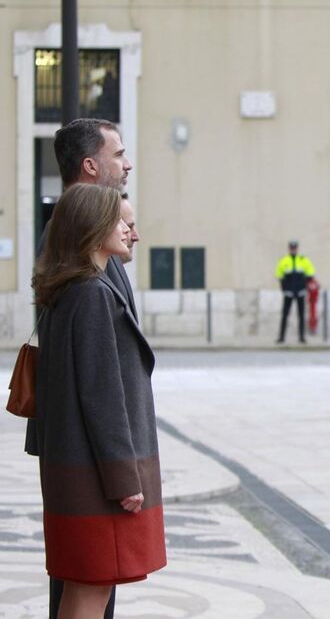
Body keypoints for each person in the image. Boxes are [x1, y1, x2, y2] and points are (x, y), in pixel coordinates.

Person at [32, 184, 166, 618]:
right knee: (92, 589)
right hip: (93, 476)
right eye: (121, 222)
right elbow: (101, 396)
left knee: (85, 587)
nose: (131, 232)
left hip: (77, 468)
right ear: (93, 227)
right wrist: (124, 479)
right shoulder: (91, 294)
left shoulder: (70, 290)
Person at [29, 117, 135, 619]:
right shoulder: (80, 264)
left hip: (79, 444)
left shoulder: (77, 249)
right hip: (87, 449)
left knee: (85, 579)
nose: (127, 163)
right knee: (89, 580)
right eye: (118, 154)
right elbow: (96, 379)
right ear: (91, 164)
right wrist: (122, 471)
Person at [275, 240, 316, 343]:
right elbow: (279, 275)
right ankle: (281, 337)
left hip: (300, 291)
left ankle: (302, 337)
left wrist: (304, 284)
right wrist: (284, 287)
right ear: (289, 249)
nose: (293, 249)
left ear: (297, 249)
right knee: (285, 315)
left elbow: (311, 272)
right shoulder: (284, 260)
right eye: (291, 248)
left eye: (295, 248)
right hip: (288, 292)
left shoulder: (303, 260)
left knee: (301, 315)